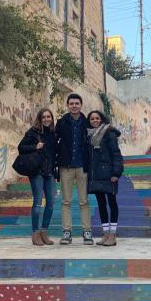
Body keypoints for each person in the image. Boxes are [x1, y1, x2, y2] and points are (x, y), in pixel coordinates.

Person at [55, 93, 93, 245]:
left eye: (77, 103)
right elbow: (54, 141)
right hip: (66, 167)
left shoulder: (87, 122)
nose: (74, 106)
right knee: (66, 201)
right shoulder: (61, 122)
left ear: (81, 105)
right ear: (68, 105)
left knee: (84, 201)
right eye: (71, 103)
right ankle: (66, 232)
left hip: (83, 166)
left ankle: (87, 232)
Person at [18, 108, 57, 246]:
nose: (47, 119)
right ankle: (35, 232)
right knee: (38, 203)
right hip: (37, 171)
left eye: (49, 116)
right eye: (44, 117)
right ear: (40, 119)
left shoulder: (53, 133)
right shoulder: (33, 132)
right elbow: (21, 147)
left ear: (52, 118)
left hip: (50, 172)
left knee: (51, 204)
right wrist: (35, 146)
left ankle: (44, 232)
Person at [86, 110, 123, 246]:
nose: (95, 121)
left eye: (97, 118)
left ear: (102, 119)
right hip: (96, 175)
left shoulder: (109, 133)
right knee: (101, 204)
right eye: (92, 119)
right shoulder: (89, 135)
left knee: (112, 203)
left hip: (109, 175)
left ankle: (112, 235)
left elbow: (116, 154)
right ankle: (105, 233)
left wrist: (116, 173)